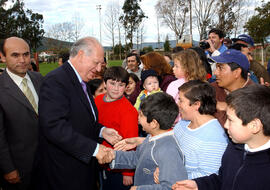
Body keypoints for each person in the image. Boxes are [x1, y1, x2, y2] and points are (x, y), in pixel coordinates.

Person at [34, 37, 122, 190]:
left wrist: (102, 131)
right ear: (81, 55)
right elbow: (54, 126)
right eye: (96, 63)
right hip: (64, 173)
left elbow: (83, 120)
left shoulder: (82, 80)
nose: (100, 68)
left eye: (101, 64)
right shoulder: (56, 81)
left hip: (82, 169)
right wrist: (94, 149)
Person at [172, 84, 270, 190]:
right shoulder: (234, 148)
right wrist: (199, 185)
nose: (225, 125)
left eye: (231, 120)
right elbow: (222, 179)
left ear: (254, 126)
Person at [109, 92, 188, 190]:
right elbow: (138, 157)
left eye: (141, 115)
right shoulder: (152, 136)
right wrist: (113, 156)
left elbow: (172, 187)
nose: (138, 119)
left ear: (154, 123)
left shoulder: (168, 150)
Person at [0, 37, 43, 190]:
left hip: (47, 163)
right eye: (15, 55)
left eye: (26, 54)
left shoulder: (39, 79)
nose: (23, 59)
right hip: (19, 169)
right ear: (2, 56)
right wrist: (8, 168)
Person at [94, 66, 138, 190]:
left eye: (121, 85)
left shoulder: (128, 110)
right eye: (112, 83)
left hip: (118, 166)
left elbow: (131, 141)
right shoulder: (97, 100)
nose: (116, 89)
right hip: (99, 159)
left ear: (126, 87)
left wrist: (128, 173)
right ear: (104, 83)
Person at [173, 80, 228, 179]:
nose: (178, 104)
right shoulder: (183, 123)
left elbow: (207, 178)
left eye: (181, 100)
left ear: (197, 104)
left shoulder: (215, 138)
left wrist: (169, 174)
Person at [210, 49, 254, 127]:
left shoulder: (256, 98)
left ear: (236, 72)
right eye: (216, 67)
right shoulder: (211, 89)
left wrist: (230, 108)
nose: (215, 73)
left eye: (220, 68)